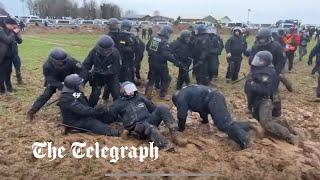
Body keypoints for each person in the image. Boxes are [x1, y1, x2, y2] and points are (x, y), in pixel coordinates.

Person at [107, 81, 186, 149]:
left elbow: (153, 109)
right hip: (135, 128)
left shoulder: (140, 98)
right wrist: (123, 125)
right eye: (128, 90)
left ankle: (175, 135)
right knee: (150, 127)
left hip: (148, 120)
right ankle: (164, 145)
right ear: (122, 91)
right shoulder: (117, 104)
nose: (131, 92)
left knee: (162, 108)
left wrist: (164, 112)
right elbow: (111, 117)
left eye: (132, 89)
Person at [172, 85, 251, 149]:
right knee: (221, 124)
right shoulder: (187, 93)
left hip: (214, 98)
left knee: (224, 124)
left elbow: (181, 116)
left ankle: (245, 139)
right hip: (212, 96)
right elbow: (199, 105)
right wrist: (204, 121)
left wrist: (180, 129)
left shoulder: (180, 98)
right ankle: (248, 126)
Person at [245, 51, 297, 144]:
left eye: (260, 60)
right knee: (257, 120)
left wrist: (252, 85)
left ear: (265, 62)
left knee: (266, 123)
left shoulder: (268, 73)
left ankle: (289, 135)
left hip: (266, 100)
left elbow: (264, 90)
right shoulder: (256, 71)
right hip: (257, 100)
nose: (257, 62)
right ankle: (283, 125)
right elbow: (248, 90)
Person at [27, 48, 84, 120]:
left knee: (78, 95)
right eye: (59, 62)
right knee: (46, 95)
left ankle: (82, 111)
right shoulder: (47, 66)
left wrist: (79, 82)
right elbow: (50, 79)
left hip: (70, 79)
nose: (61, 63)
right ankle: (32, 111)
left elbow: (82, 70)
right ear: (52, 61)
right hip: (55, 81)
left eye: (63, 62)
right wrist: (63, 87)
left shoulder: (71, 61)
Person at [249, 28, 288, 114]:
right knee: (255, 89)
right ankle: (253, 108)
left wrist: (276, 73)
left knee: (273, 91)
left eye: (263, 39)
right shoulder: (256, 46)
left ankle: (276, 111)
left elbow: (281, 61)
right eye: (260, 39)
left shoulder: (276, 46)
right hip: (259, 71)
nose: (262, 41)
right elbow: (251, 60)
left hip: (273, 71)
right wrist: (253, 72)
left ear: (269, 38)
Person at [145, 25, 183, 100]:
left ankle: (147, 93)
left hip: (151, 61)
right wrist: (176, 62)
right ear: (166, 33)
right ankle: (162, 95)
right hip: (161, 63)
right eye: (169, 33)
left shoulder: (153, 38)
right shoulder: (164, 42)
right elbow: (167, 55)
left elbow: (147, 47)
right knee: (167, 79)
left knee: (152, 78)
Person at [82, 35, 121, 107]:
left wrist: (105, 72)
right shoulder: (94, 52)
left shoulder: (115, 53)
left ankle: (118, 111)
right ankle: (90, 110)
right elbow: (86, 65)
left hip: (111, 76)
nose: (107, 52)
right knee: (95, 95)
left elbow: (116, 67)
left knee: (116, 94)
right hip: (97, 77)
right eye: (105, 50)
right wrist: (83, 80)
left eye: (109, 49)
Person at [0, 18, 21, 95]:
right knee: (1, 74)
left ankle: (9, 88)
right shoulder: (1, 31)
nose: (13, 27)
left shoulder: (11, 32)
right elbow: (8, 41)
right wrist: (13, 33)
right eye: (12, 25)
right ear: (7, 24)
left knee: (8, 73)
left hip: (10, 56)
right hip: (2, 57)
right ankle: (2, 91)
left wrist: (17, 33)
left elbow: (19, 41)